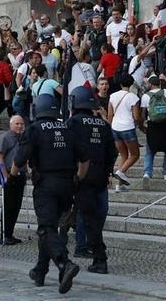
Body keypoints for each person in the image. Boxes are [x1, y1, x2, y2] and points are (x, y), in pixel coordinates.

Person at [12, 94, 89, 293]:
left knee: (46, 229)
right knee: (50, 230)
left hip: (46, 184)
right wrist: (78, 178)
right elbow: (85, 159)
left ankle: (65, 264)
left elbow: (20, 159)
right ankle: (40, 270)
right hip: (67, 185)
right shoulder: (68, 128)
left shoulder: (34, 129)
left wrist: (13, 174)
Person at [68, 86, 117, 274]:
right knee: (96, 215)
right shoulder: (103, 124)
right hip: (100, 177)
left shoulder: (73, 123)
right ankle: (93, 253)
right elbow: (111, 153)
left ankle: (99, 258)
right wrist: (106, 173)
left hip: (82, 177)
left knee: (89, 219)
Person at [0, 115, 26, 245]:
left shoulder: (23, 137)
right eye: (17, 124)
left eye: (21, 124)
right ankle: (5, 234)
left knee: (16, 206)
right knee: (8, 206)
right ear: (11, 125)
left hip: (20, 175)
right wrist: (4, 175)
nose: (20, 126)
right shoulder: (5, 137)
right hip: (9, 174)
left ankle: (10, 233)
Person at [108, 75, 141, 191]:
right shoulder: (133, 97)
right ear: (131, 84)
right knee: (135, 155)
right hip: (127, 127)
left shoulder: (112, 96)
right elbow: (136, 116)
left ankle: (119, 185)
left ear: (120, 84)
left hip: (115, 128)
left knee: (123, 155)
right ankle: (121, 172)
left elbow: (110, 115)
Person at [140, 74, 166, 181]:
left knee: (150, 150)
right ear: (159, 84)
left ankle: (147, 172)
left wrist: (142, 125)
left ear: (150, 85)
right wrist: (165, 78)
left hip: (153, 125)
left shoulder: (146, 96)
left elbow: (143, 113)